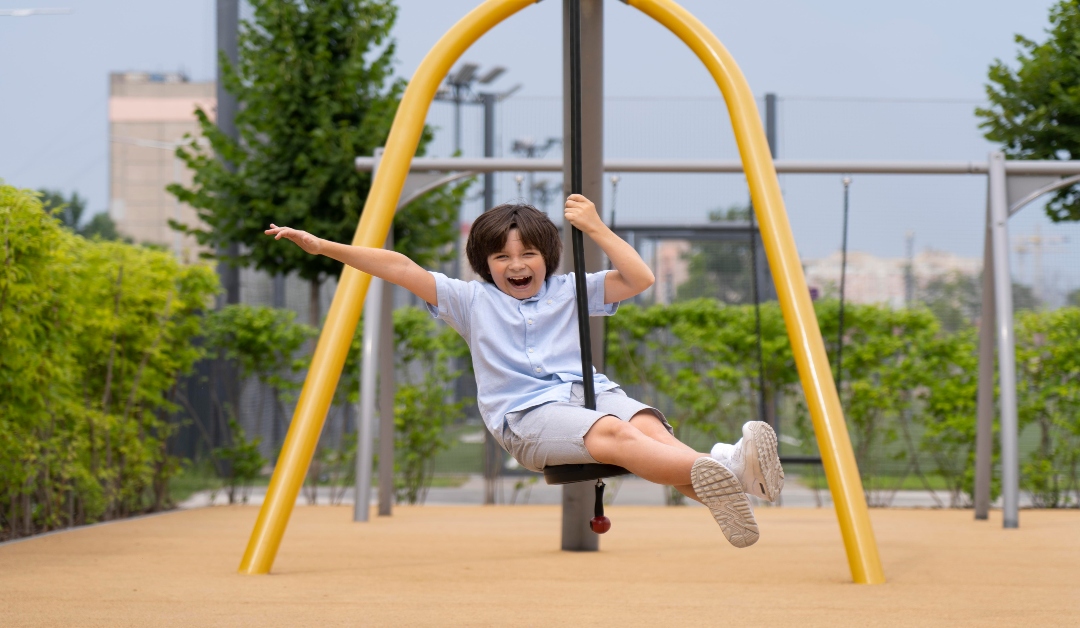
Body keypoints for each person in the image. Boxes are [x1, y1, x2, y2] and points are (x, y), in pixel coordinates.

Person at [265, 194, 783, 548]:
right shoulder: (468, 300)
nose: (517, 264)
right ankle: (731, 469)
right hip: (527, 415)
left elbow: (640, 277)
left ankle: (729, 481)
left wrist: (595, 228)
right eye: (502, 256)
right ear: (484, 262)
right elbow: (401, 266)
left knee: (647, 425)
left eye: (529, 253)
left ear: (547, 256)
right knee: (610, 431)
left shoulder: (568, 289)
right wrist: (322, 246)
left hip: (590, 392)